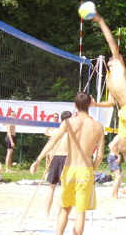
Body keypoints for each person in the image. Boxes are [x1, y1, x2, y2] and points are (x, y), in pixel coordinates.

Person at [30, 92, 104, 235]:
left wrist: (38, 159)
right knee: (80, 213)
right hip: (85, 170)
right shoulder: (98, 126)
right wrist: (92, 169)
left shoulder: (68, 122)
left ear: (75, 106)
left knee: (65, 208)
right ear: (90, 105)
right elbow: (100, 155)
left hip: (70, 169)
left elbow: (53, 141)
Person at [90, 13, 126, 194]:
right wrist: (94, 104)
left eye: (115, 56)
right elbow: (110, 102)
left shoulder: (120, 67)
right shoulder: (109, 79)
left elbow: (110, 41)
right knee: (123, 147)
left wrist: (100, 20)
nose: (111, 57)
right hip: (123, 112)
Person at [44, 111, 72, 220]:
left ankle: (46, 214)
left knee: (51, 188)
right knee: (61, 188)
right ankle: (58, 213)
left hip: (55, 158)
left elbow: (46, 133)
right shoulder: (70, 132)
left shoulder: (55, 131)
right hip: (64, 158)